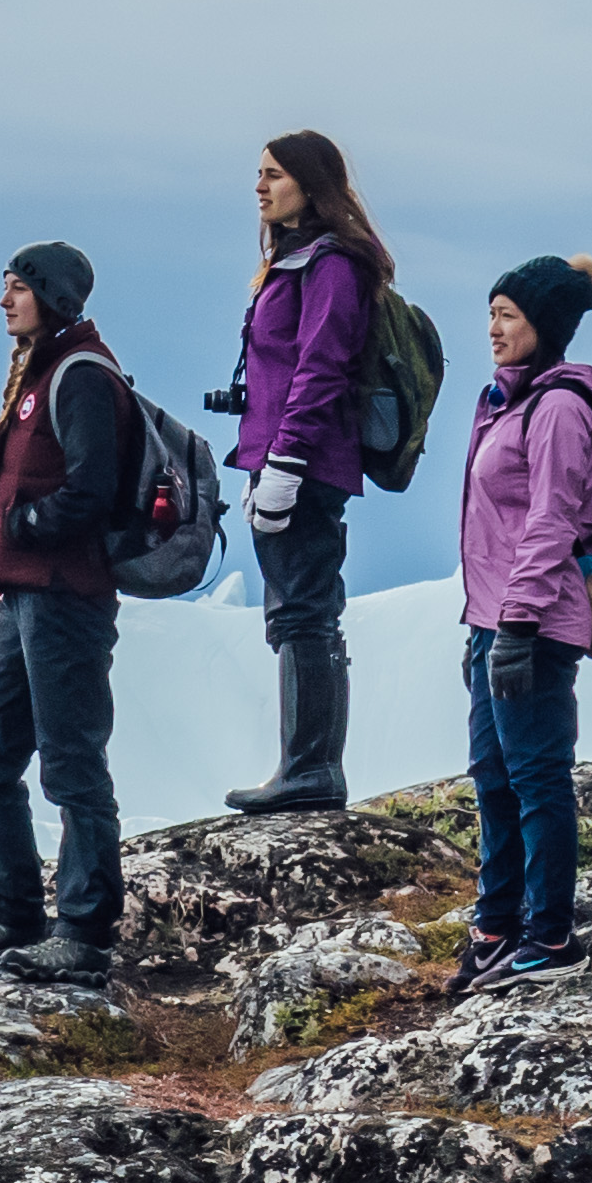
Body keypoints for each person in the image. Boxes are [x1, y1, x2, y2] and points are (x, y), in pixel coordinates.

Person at [0, 243, 135, 988]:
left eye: (17, 287)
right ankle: (13, 909)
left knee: (71, 763)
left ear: (51, 295)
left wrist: (22, 526)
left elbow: (93, 489)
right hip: (24, 595)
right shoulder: (42, 373)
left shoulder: (80, 375)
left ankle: (83, 930)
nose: (3, 301)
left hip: (63, 595)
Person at [456, 256, 592, 990]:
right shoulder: (501, 400)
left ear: (544, 327)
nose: (493, 329)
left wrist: (519, 625)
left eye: (509, 316)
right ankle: (496, 921)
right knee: (492, 778)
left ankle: (549, 933)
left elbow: (551, 519)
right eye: (491, 312)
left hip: (530, 624)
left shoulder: (557, 408)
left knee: (535, 779)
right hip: (488, 621)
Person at [217, 133, 395, 814]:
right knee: (298, 612)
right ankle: (306, 766)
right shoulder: (299, 260)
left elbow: (321, 367)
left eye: (273, 176)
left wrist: (285, 462)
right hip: (283, 458)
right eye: (258, 175)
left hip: (305, 461)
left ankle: (310, 769)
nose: (260, 188)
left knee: (305, 614)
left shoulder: (331, 265)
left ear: (309, 184)